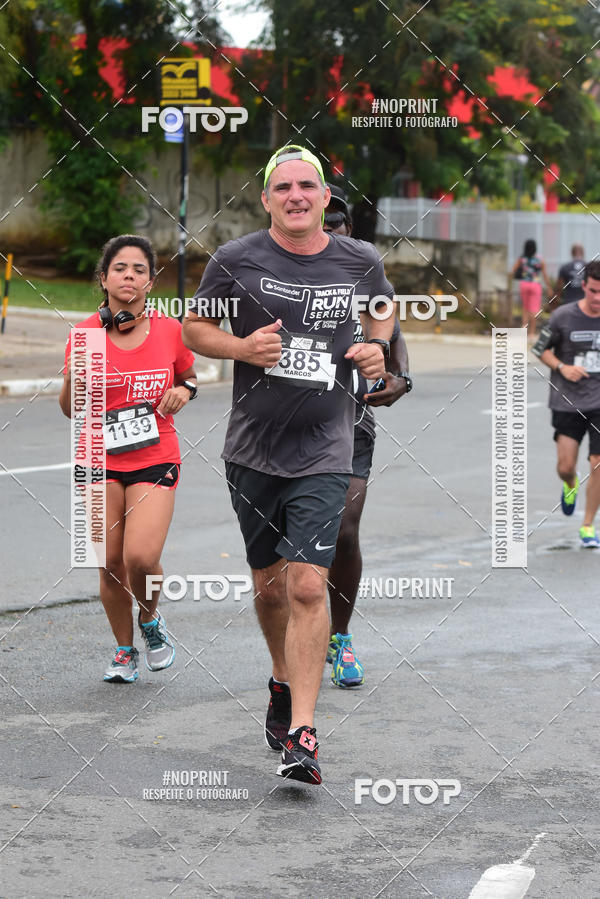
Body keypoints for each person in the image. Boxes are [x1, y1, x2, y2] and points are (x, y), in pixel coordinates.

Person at [183, 145, 394, 784]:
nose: (297, 195)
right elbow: (193, 329)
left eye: (308, 186)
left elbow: (382, 309)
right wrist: (242, 346)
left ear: (326, 198)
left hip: (327, 444)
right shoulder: (236, 259)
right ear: (267, 199)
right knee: (271, 587)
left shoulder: (358, 260)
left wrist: (375, 350)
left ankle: (303, 730)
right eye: (284, 187)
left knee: (307, 584)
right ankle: (281, 677)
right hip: (252, 448)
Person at [59, 235, 197, 682]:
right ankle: (124, 650)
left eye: (139, 269)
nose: (129, 276)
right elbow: (70, 408)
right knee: (109, 561)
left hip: (155, 455)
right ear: (104, 279)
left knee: (140, 556)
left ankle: (150, 621)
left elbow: (190, 376)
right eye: (119, 268)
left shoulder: (170, 330)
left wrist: (183, 390)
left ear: (150, 282)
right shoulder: (84, 334)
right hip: (98, 457)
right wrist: (74, 378)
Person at [323, 185, 411, 688]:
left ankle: (339, 636)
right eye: (323, 221)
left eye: (338, 222)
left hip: (351, 421)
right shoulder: (274, 270)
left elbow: (394, 337)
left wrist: (401, 377)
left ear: (349, 230)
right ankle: (299, 629)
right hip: (284, 426)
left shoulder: (366, 279)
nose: (329, 229)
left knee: (345, 531)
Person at [533, 259, 600, 547]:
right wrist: (562, 368)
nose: (598, 298)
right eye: (594, 291)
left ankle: (588, 526)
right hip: (567, 401)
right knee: (565, 465)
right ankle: (570, 484)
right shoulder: (563, 316)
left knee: (598, 463)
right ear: (584, 286)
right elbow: (539, 349)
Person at [511, 239, 552, 336]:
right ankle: (532, 333)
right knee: (534, 309)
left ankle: (523, 329)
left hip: (524, 284)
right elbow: (545, 274)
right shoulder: (539, 259)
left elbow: (513, 270)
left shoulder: (522, 258)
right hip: (535, 285)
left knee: (525, 308)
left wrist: (523, 273)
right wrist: (549, 287)